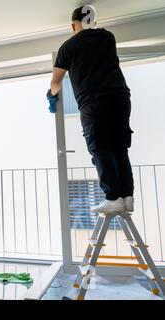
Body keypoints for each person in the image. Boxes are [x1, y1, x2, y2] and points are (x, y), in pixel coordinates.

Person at [48, 6, 134, 214]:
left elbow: (56, 81)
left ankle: (113, 198)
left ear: (72, 25)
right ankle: (127, 197)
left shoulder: (68, 47)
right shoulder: (107, 37)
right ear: (93, 21)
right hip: (120, 98)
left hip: (94, 103)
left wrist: (51, 95)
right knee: (119, 148)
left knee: (100, 148)